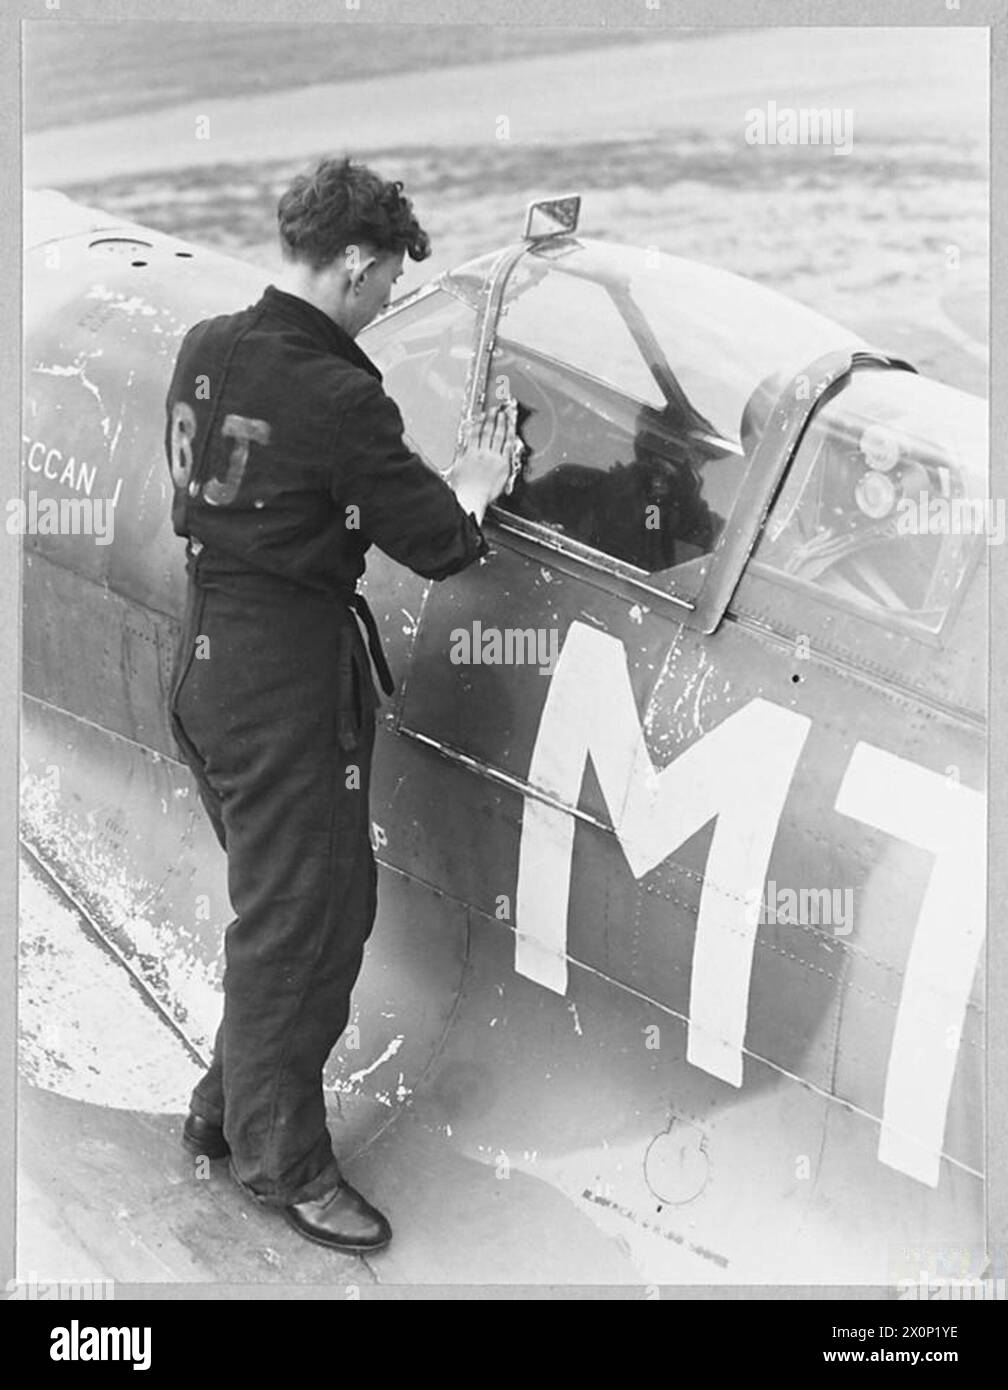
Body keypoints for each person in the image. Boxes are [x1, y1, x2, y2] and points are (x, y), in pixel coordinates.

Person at [164, 156, 513, 1253]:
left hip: (208, 659)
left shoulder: (207, 345)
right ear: (354, 262)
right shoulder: (339, 393)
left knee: (288, 910)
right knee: (307, 923)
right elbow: (440, 541)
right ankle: (283, 1162)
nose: (389, 303)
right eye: (388, 282)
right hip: (285, 683)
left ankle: (224, 1111)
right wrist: (475, 486)